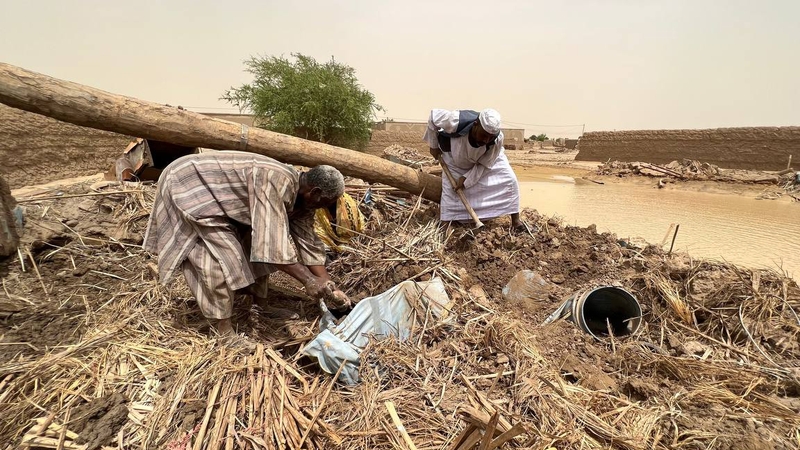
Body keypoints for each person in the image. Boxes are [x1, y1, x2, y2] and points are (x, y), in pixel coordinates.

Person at [143, 151, 351, 336]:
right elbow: (272, 246)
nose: (323, 209)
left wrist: (329, 286)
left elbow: (309, 243)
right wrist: (308, 280)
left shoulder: (304, 201)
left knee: (254, 246)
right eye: (325, 203)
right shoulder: (275, 182)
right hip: (190, 184)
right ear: (314, 193)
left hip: (219, 197)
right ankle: (223, 332)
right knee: (220, 258)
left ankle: (261, 306)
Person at [423, 108, 522, 229]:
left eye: (490, 137)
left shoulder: (496, 139)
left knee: (509, 180)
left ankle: (516, 222)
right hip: (454, 160)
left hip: (486, 162)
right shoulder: (455, 120)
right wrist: (433, 145)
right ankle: (446, 227)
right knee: (450, 193)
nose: (486, 140)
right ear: (475, 125)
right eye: (484, 135)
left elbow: (485, 164)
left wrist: (466, 180)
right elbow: (433, 117)